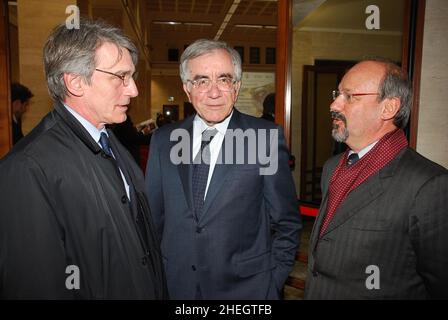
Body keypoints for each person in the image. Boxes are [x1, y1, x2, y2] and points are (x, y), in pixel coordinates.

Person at [0, 19, 167, 299]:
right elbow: (35, 284)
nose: (133, 90)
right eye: (120, 77)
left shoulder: (110, 139)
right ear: (76, 82)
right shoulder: (26, 169)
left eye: (132, 76)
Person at [145, 39, 302, 299]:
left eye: (224, 79)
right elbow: (154, 220)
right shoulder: (164, 140)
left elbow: (286, 223)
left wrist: (270, 285)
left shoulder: (264, 139)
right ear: (187, 88)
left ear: (237, 86)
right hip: (177, 287)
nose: (214, 92)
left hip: (245, 292)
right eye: (202, 80)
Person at [304, 59, 448, 299]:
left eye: (350, 96)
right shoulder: (332, 168)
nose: (334, 105)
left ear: (388, 108)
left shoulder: (429, 185)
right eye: (337, 94)